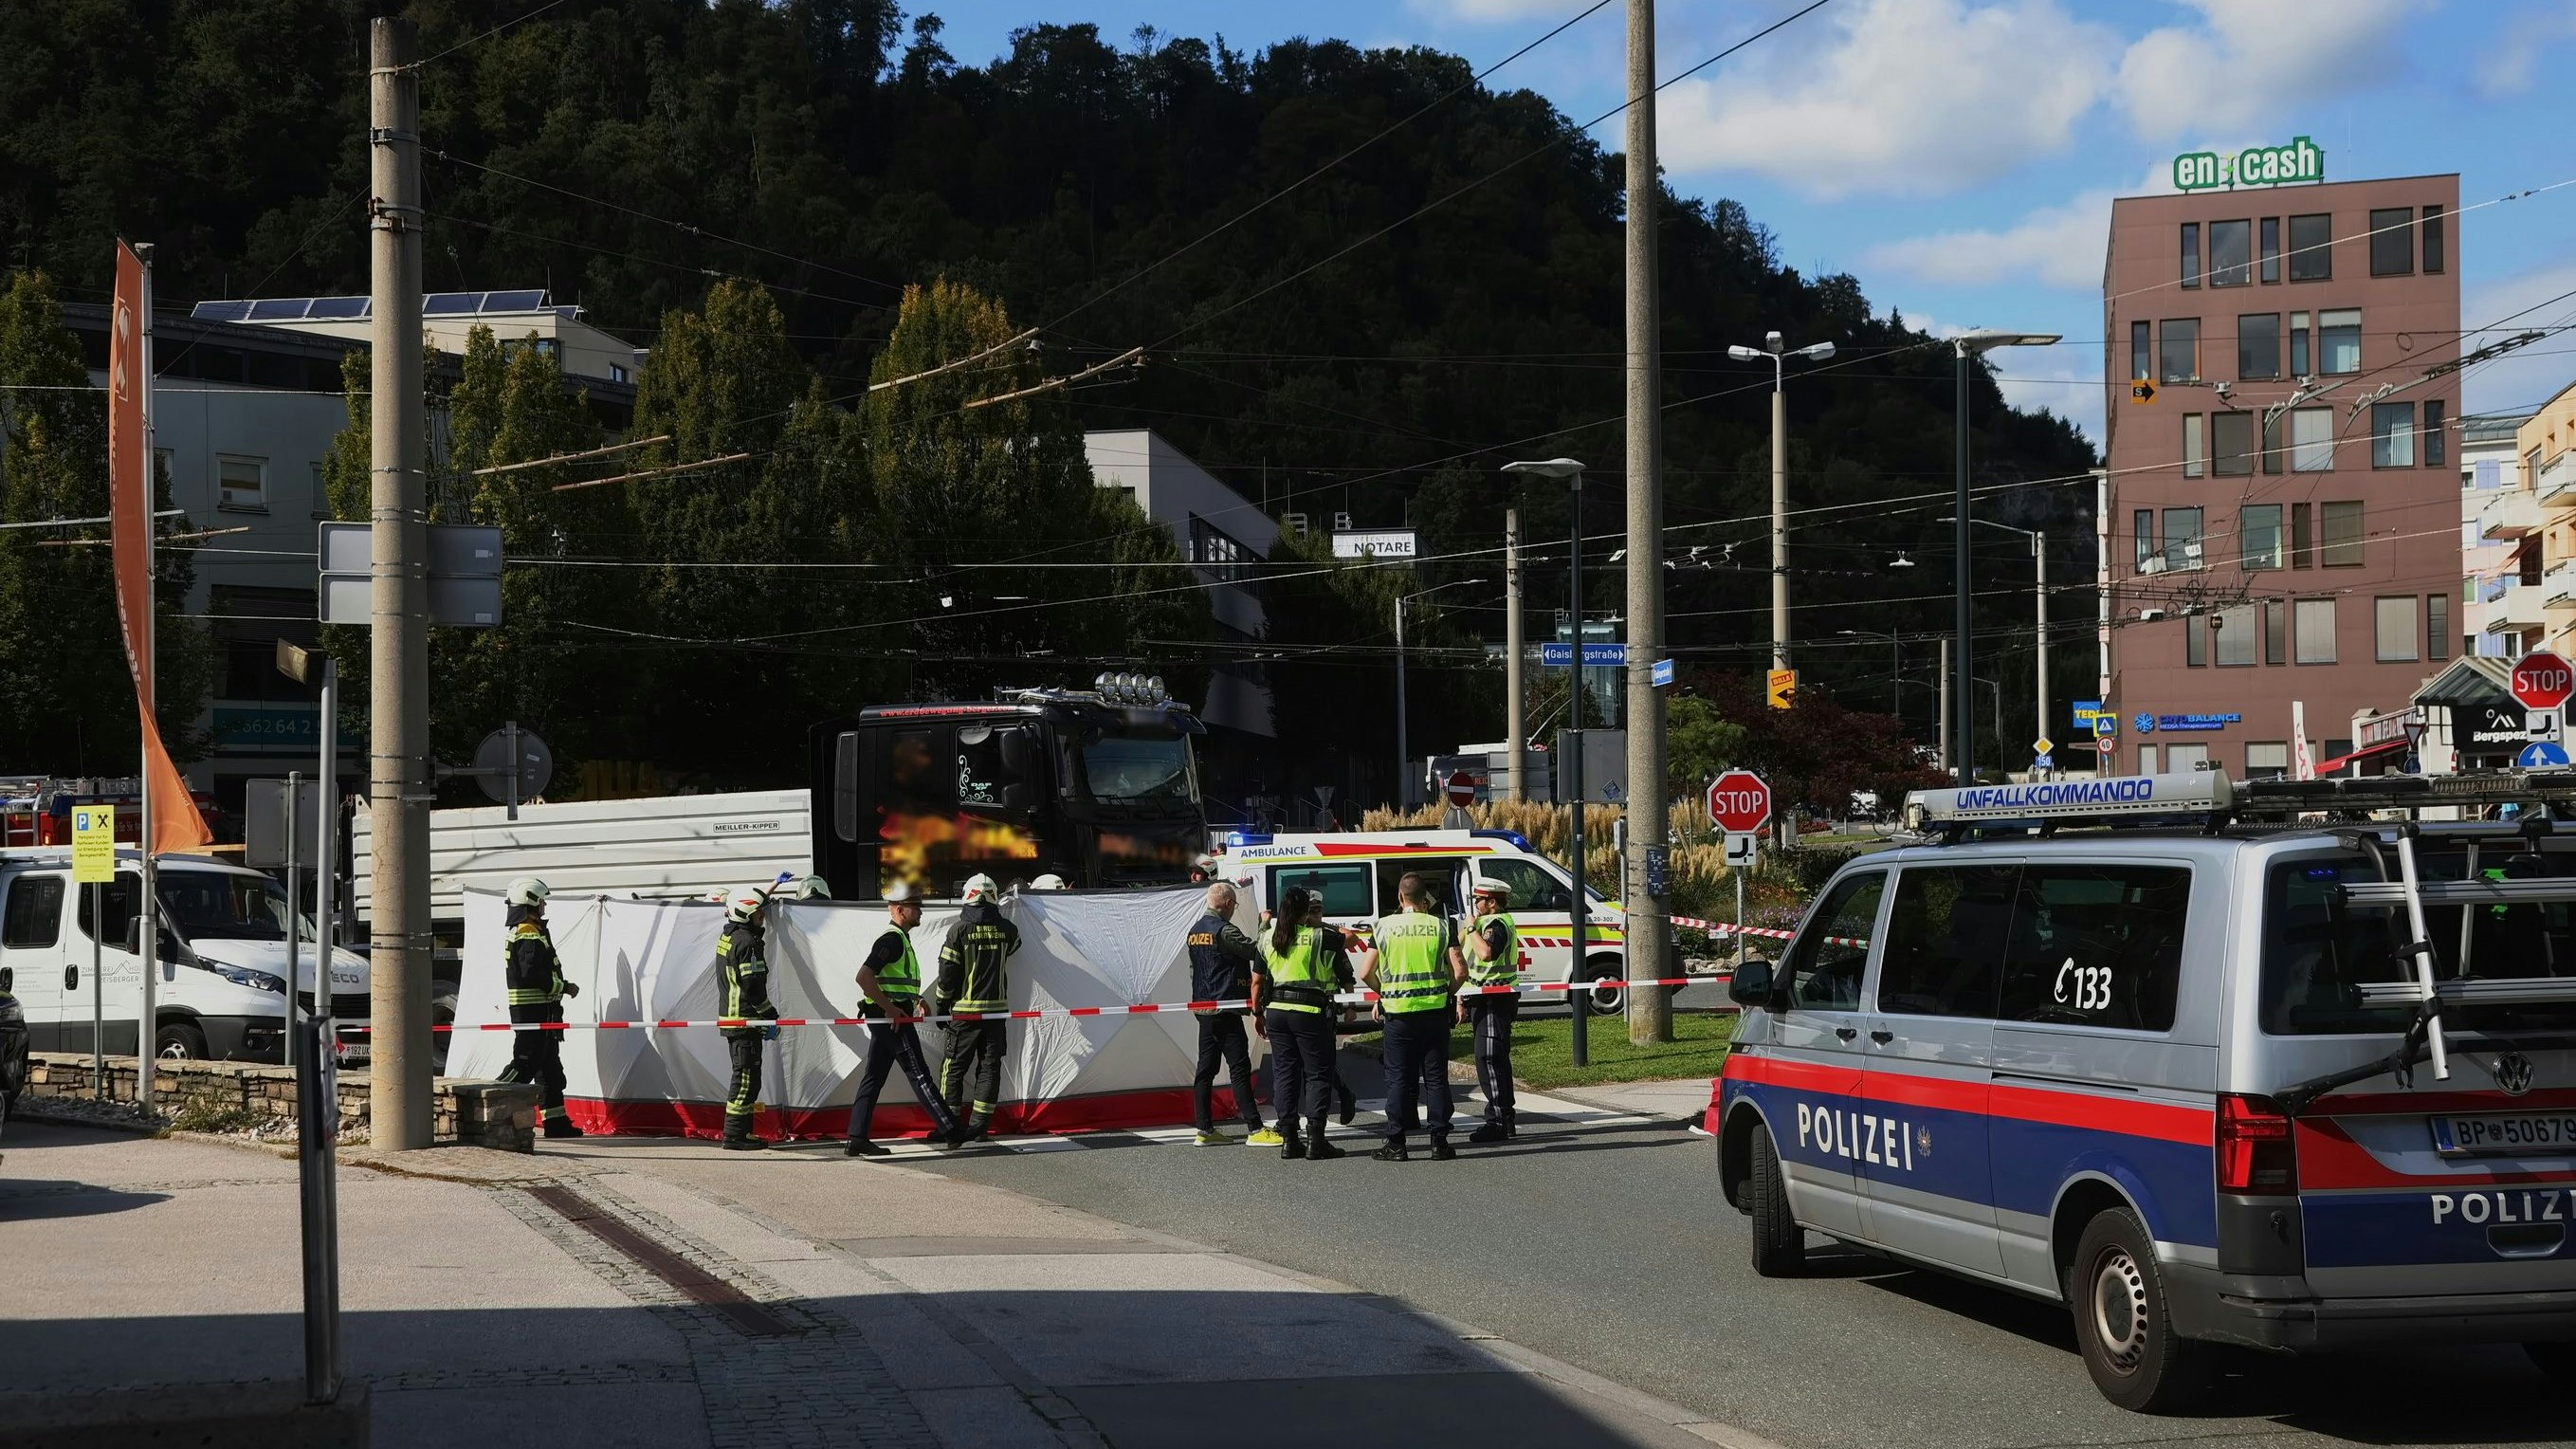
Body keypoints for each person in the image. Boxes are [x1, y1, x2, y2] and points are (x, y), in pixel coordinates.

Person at [844, 882, 961, 1156]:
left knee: (874, 1077)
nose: (920, 911)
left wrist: (916, 998)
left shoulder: (900, 939)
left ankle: (856, 1137)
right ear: (899, 910)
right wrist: (891, 1009)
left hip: (891, 1016)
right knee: (919, 1074)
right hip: (893, 1019)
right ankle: (952, 1130)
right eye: (915, 906)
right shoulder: (892, 940)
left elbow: (894, 981)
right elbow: (864, 978)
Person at [1361, 871, 1466, 1162]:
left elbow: (1365, 972)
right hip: (1434, 1014)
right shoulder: (1441, 926)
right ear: (1425, 899)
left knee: (1398, 1079)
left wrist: (1385, 993)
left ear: (1400, 897)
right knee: (1436, 1079)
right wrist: (1447, 993)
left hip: (1398, 1017)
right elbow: (1460, 971)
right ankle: (1439, 1142)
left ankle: (1396, 1143)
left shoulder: (1382, 927)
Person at [1255, 887, 1349, 1161]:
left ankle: (1289, 1140)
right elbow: (1349, 938)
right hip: (1308, 1011)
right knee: (1317, 1074)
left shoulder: (1268, 938)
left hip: (1276, 1011)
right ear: (1305, 911)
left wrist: (1257, 1013)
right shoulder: (1318, 936)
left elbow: (1257, 981)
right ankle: (1316, 1141)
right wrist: (1322, 923)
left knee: (1285, 1074)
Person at [1185, 882, 1279, 1146]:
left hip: (1203, 1008)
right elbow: (1257, 951)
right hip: (1225, 1008)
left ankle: (1204, 1130)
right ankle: (1255, 1128)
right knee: (1239, 1068)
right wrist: (1264, 924)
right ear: (1227, 904)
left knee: (1206, 1070)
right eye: (1234, 905)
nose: (1234, 909)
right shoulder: (1224, 930)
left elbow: (1196, 970)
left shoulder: (1195, 931)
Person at [934, 872, 1020, 1146]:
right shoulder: (1008, 930)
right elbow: (1014, 947)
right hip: (996, 1013)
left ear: (967, 897)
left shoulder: (958, 931)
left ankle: (949, 1127)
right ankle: (979, 1128)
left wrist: (941, 1006)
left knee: (953, 1069)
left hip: (964, 1013)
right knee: (989, 1069)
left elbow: (947, 974)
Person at [500, 877, 583, 1139]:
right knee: (525, 1064)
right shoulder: (527, 932)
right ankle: (490, 1101)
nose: (545, 905)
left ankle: (556, 1124)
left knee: (550, 1070)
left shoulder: (533, 930)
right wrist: (564, 987)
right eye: (542, 901)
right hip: (531, 1012)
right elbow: (531, 974)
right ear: (531, 902)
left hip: (542, 1011)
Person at [716, 885, 780, 1150]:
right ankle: (734, 1135)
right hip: (744, 1020)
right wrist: (769, 1015)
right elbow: (753, 987)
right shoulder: (747, 943)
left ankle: (742, 1132)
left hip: (737, 1018)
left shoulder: (730, 936)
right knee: (745, 1080)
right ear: (745, 913)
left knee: (746, 1076)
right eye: (758, 913)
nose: (762, 916)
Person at [1461, 879, 1521, 1144]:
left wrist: (1470, 927)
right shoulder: (1486, 923)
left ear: (1492, 902)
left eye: (1479, 900)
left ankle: (1497, 1121)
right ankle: (1505, 1119)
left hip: (1494, 999)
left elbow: (1486, 953)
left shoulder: (1497, 924)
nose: (1475, 904)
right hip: (1484, 998)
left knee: (1489, 1059)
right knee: (1496, 1059)